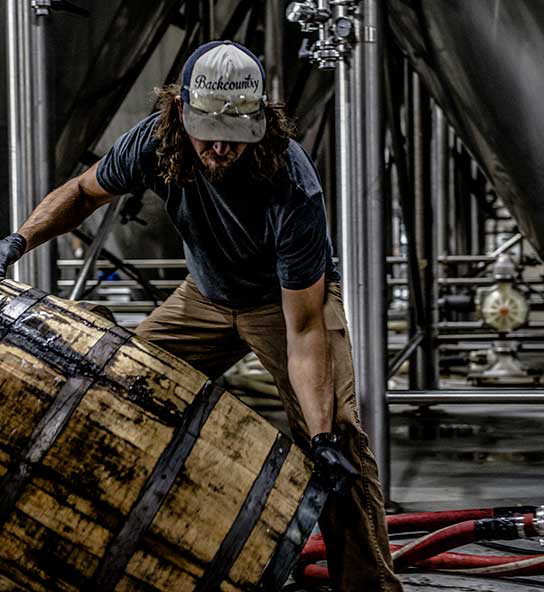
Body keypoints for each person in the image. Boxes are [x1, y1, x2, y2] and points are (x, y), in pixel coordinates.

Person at [0, 41, 403, 591]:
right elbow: (80, 193)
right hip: (205, 296)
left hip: (279, 303)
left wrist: (323, 437)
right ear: (180, 113)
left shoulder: (291, 183)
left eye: (234, 133)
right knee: (117, 390)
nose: (219, 146)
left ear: (260, 120)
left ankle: (370, 587)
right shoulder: (153, 141)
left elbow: (305, 331)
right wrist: (17, 241)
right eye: (206, 129)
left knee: (339, 450)